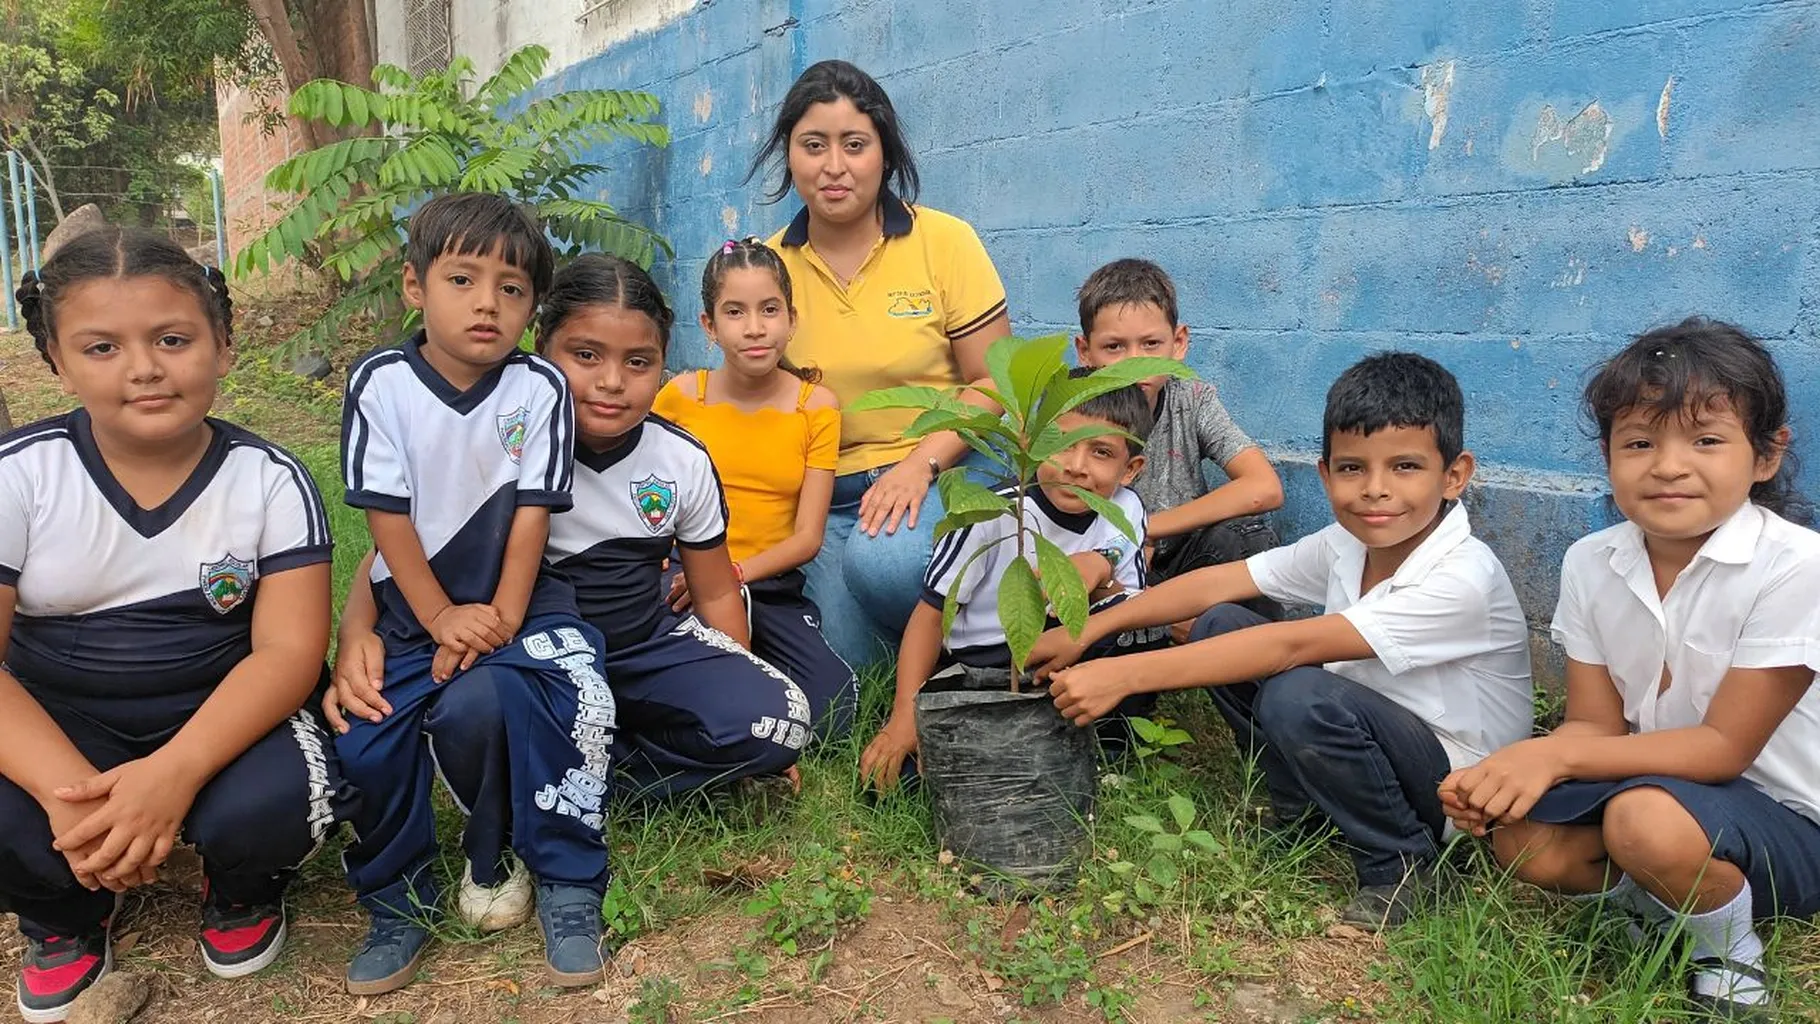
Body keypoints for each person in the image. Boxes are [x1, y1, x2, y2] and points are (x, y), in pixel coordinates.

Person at [1029, 353, 1534, 930]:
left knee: (1298, 693)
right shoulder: (1349, 543)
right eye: (1353, 468)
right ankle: (1303, 809)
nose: (1375, 490)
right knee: (1221, 622)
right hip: (1373, 734)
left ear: (1454, 475)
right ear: (1325, 475)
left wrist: (1122, 674)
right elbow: (1221, 582)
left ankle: (1400, 864)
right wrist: (1090, 627)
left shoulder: (1461, 577)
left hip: (1456, 788)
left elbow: (1289, 647)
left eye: (1404, 467)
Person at [0, 228, 348, 1022]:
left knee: (274, 804)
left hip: (219, 716)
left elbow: (289, 652)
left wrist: (176, 772)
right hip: (62, 721)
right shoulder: (19, 477)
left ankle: (241, 886)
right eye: (102, 347)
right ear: (56, 360)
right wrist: (69, 799)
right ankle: (63, 914)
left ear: (222, 345)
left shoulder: (270, 480)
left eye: (172, 339)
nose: (144, 368)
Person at [1440, 319, 1820, 1023]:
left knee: (1642, 819)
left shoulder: (1796, 566)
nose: (1668, 466)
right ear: (1609, 456)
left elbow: (1722, 749)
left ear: (1766, 456)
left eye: (1706, 441)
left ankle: (1728, 956)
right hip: (1659, 792)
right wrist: (1505, 777)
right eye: (1640, 443)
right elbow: (1595, 724)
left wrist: (1551, 755)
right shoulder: (1593, 561)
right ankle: (1659, 907)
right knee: (1523, 838)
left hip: (1789, 822)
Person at [329, 253, 808, 807]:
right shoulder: (498, 444)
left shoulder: (681, 461)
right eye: (585, 355)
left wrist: (733, 681)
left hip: (639, 651)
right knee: (476, 710)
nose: (611, 382)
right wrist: (356, 632)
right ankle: (557, 766)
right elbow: (393, 549)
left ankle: (593, 777)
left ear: (663, 364)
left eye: (638, 362)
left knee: (780, 721)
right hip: (531, 662)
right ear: (540, 347)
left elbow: (718, 591)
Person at [334, 194, 615, 994]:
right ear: (414, 286)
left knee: (570, 696)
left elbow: (532, 515)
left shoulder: (540, 388)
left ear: (532, 306)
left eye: (512, 288)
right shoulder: (381, 384)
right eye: (462, 279)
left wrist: (501, 619)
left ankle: (563, 876)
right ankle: (398, 897)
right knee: (362, 741)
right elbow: (386, 520)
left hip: (520, 602)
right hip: (412, 609)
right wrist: (437, 617)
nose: (488, 303)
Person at [752, 59, 1012, 666]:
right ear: (789, 155)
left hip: (949, 466)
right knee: (837, 684)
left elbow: (993, 383)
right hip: (832, 495)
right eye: (813, 145)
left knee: (887, 567)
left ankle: (980, 653)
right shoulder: (767, 267)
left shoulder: (944, 241)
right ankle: (926, 650)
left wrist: (919, 464)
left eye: (854, 144)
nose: (834, 165)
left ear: (885, 155)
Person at [859, 374, 1169, 791]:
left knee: (1143, 629)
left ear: (1130, 469)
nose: (1076, 466)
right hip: (986, 662)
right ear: (1029, 443)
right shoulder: (990, 513)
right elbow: (931, 614)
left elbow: (1127, 604)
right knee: (926, 778)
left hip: (1070, 650)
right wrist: (904, 717)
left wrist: (1098, 569)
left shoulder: (1127, 510)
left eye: (1101, 452)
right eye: (1059, 442)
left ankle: (1109, 747)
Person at [654, 239, 858, 741]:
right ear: (709, 325)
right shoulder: (681, 397)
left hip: (767, 584)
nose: (754, 328)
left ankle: (756, 671)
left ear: (791, 319)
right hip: (684, 578)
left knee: (832, 715)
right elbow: (645, 495)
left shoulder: (816, 407)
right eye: (735, 312)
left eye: (769, 310)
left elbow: (807, 538)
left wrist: (735, 574)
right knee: (685, 686)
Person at [1073, 258, 1285, 624]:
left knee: (1247, 537)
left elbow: (1264, 488)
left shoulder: (1191, 400)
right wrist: (1125, 548)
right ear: (1084, 351)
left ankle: (1260, 652)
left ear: (1179, 343)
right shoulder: (1071, 412)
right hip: (1103, 563)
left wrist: (1145, 527)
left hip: (1184, 562)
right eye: (1114, 347)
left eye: (1151, 344)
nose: (1134, 363)